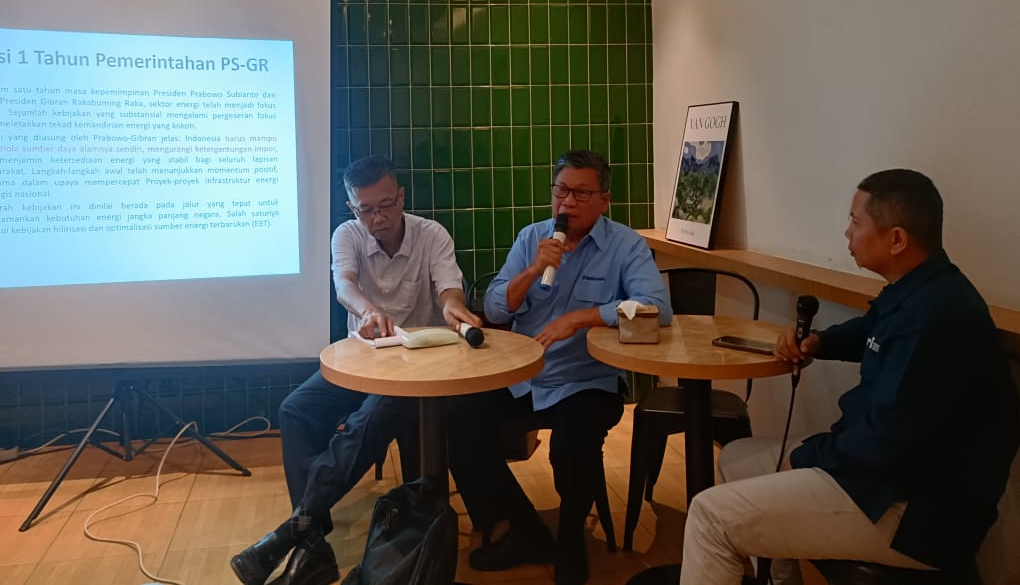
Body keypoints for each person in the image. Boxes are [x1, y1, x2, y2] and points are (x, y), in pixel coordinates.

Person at [681, 169, 1020, 585]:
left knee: (710, 516)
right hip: (885, 478)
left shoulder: (937, 318)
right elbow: (870, 330)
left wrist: (806, 456)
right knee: (737, 459)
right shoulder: (919, 289)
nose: (847, 233)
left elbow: (884, 444)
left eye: (856, 222)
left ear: (897, 239)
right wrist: (819, 342)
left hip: (916, 514)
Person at [231, 155, 481, 585]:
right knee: (296, 410)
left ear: (401, 196)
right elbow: (344, 284)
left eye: (386, 205)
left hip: (416, 371)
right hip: (363, 360)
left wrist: (454, 308)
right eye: (365, 209)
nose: (377, 218)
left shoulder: (431, 234)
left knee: (373, 416)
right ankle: (312, 541)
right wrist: (367, 311)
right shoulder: (347, 234)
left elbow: (449, 289)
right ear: (352, 207)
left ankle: (297, 530)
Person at [447, 149, 672, 585]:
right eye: (561, 191)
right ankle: (526, 530)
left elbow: (657, 309)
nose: (567, 202)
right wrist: (534, 268)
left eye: (581, 193)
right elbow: (496, 306)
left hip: (588, 379)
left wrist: (582, 318)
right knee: (457, 420)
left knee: (573, 441)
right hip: (523, 376)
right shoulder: (532, 237)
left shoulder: (626, 245)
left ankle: (570, 539)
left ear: (604, 199)